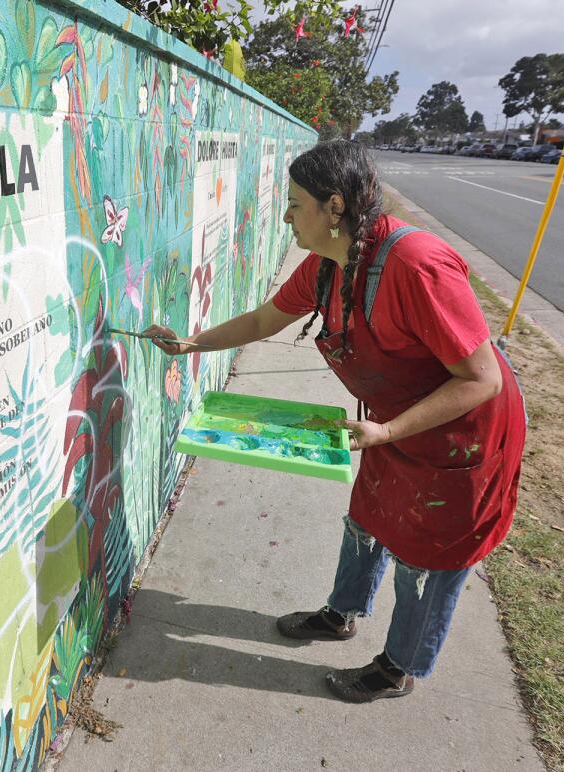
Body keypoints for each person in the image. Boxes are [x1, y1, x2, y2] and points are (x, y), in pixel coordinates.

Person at [144, 140, 526, 703]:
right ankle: (342, 613)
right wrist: (190, 343)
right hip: (394, 423)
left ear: (335, 208)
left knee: (428, 555)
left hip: (460, 434)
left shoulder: (416, 265)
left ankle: (398, 668)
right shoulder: (329, 265)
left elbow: (482, 379)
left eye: (296, 204)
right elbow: (261, 322)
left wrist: (388, 431)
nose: (286, 216)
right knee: (369, 517)